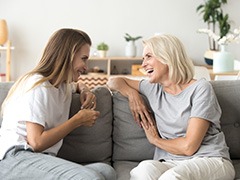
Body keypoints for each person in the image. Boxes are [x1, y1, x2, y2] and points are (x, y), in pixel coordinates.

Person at [107, 34, 235, 180]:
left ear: (166, 57)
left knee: (172, 177)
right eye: (143, 58)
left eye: (148, 56)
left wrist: (155, 140)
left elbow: (189, 147)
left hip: (210, 160)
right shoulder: (152, 88)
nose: (143, 64)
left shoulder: (200, 88)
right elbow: (113, 82)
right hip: (171, 162)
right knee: (143, 170)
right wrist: (132, 95)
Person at [0, 28, 116, 180]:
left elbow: (77, 85)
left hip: (40, 159)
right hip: (15, 157)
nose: (86, 67)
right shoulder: (37, 85)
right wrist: (78, 120)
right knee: (91, 178)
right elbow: (36, 142)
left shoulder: (62, 85)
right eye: (84, 59)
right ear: (68, 56)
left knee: (107, 172)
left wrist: (85, 90)